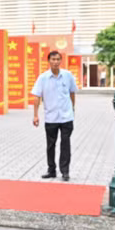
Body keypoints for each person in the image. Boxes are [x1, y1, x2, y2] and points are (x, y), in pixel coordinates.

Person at [32, 50, 77, 182]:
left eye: (58, 59)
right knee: (50, 145)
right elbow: (37, 97)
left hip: (66, 117)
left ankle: (65, 171)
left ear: (60, 61)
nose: (56, 62)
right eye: (53, 59)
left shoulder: (68, 76)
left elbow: (72, 93)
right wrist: (35, 115)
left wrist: (73, 108)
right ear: (49, 61)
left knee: (65, 144)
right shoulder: (43, 78)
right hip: (51, 117)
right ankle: (51, 170)